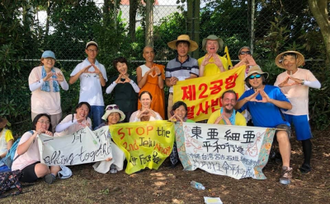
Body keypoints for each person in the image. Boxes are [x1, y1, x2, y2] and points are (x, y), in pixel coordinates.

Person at [234, 66, 293, 185]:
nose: (255, 79)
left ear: (262, 78)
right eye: (251, 77)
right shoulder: (248, 93)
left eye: (257, 76)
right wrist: (247, 99)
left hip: (278, 125)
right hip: (260, 129)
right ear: (248, 81)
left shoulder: (274, 90)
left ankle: (286, 169)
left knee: (282, 135)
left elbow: (288, 106)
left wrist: (271, 100)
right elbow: (236, 108)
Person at [274, 51, 321, 174]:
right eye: (285, 60)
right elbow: (274, 92)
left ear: (296, 61)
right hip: (285, 110)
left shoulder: (305, 73)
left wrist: (303, 82)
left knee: (304, 137)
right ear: (282, 63)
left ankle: (306, 163)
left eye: (291, 59)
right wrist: (281, 85)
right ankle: (281, 156)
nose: (288, 62)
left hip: (300, 111)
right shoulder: (281, 76)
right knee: (282, 134)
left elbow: (318, 85)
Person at [12, 114, 60, 184]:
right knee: (42, 168)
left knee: (56, 162)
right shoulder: (29, 134)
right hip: (22, 168)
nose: (45, 124)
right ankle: (49, 173)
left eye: (47, 122)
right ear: (35, 124)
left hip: (39, 164)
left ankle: (52, 176)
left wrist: (50, 140)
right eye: (42, 121)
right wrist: (35, 135)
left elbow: (53, 154)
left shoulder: (47, 136)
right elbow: (20, 151)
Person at [69, 41, 107, 129]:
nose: (92, 52)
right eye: (90, 50)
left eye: (94, 50)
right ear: (86, 51)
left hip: (98, 102)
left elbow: (103, 84)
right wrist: (82, 71)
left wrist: (100, 74)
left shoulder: (101, 67)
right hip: (84, 102)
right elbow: (71, 81)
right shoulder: (80, 65)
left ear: (97, 51)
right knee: (83, 127)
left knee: (99, 127)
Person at [29, 50, 69, 132]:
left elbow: (66, 88)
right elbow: (32, 88)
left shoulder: (57, 71)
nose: (50, 61)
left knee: (54, 132)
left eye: (52, 59)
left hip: (54, 108)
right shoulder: (36, 71)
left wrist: (62, 81)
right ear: (42, 60)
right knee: (39, 133)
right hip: (39, 109)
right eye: (47, 59)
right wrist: (44, 79)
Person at [165, 34, 199, 118]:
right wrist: (171, 82)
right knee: (171, 117)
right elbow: (167, 82)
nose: (182, 49)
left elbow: (194, 78)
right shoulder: (170, 63)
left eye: (185, 46)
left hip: (188, 94)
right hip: (173, 93)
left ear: (188, 48)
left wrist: (178, 80)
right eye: (180, 46)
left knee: (188, 118)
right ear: (176, 48)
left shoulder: (194, 62)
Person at [93, 104, 126, 174]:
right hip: (105, 149)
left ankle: (115, 163)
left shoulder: (122, 127)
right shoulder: (101, 127)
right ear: (107, 117)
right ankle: (110, 164)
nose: (114, 117)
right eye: (111, 115)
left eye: (116, 115)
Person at [106, 57, 140, 122]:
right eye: (119, 66)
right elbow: (108, 91)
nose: (122, 68)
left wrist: (130, 81)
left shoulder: (133, 78)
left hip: (131, 108)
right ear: (117, 68)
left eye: (123, 64)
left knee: (131, 128)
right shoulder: (114, 79)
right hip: (119, 109)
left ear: (126, 65)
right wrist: (115, 82)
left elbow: (138, 90)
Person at [136, 46, 166, 119]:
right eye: (147, 53)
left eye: (151, 52)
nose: (150, 54)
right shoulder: (140, 68)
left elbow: (161, 86)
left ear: (154, 54)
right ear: (144, 55)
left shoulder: (160, 67)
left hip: (157, 97)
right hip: (145, 98)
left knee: (158, 118)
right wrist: (146, 74)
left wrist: (159, 74)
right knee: (144, 118)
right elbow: (140, 85)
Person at [168, 101, 194, 167]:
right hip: (175, 147)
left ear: (186, 112)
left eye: (183, 110)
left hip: (187, 146)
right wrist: (169, 124)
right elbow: (167, 138)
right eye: (178, 110)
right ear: (174, 112)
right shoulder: (170, 122)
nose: (180, 112)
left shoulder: (191, 122)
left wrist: (181, 122)